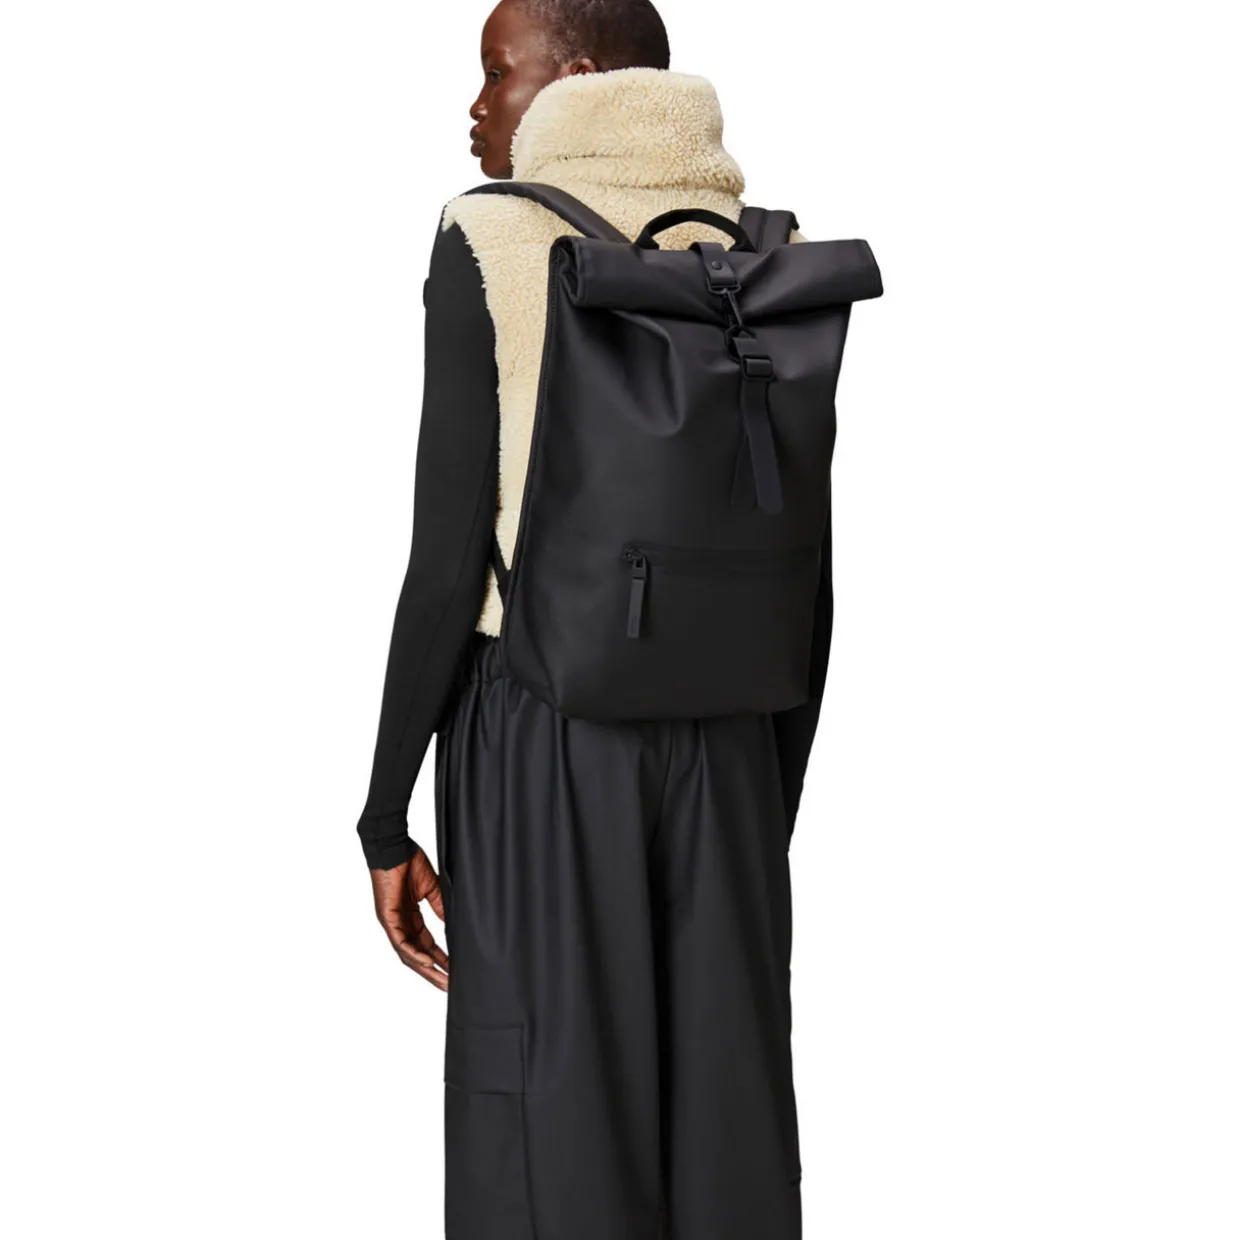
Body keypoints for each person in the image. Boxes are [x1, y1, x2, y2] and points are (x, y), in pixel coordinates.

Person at [356, 1, 833, 1234]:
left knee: (547, 1127)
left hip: (541, 724)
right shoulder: (762, 247)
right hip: (733, 734)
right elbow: (805, 555)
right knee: (726, 1122)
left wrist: (383, 815)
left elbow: (447, 557)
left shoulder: (490, 236)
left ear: (573, 77)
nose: (477, 108)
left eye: (495, 73)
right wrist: (765, 788)